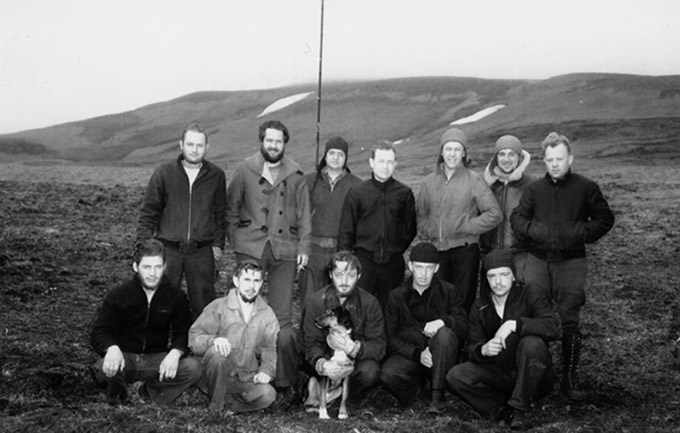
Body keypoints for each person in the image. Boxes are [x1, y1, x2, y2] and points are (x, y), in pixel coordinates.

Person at [510, 131, 615, 400]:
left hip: (571, 262)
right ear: (543, 161)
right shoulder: (534, 190)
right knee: (536, 316)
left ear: (570, 158)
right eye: (549, 159)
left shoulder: (586, 187)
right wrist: (535, 231)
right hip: (537, 261)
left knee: (569, 319)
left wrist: (580, 233)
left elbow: (604, 219)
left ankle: (569, 380)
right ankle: (537, 375)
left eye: (559, 158)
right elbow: (517, 218)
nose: (554, 164)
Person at [225, 119, 311, 406]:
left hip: (285, 250)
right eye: (269, 140)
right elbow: (231, 209)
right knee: (243, 310)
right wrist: (237, 240)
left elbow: (305, 215)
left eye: (278, 141)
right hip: (250, 248)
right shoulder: (244, 169)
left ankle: (284, 382)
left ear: (285, 143)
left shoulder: (296, 174)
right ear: (261, 140)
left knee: (282, 317)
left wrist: (304, 246)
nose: (273, 145)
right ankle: (238, 372)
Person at [447, 249, 560, 429]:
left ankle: (520, 409)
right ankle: (501, 410)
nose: (498, 282)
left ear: (514, 276)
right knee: (456, 375)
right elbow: (471, 346)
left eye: (504, 274)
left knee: (532, 343)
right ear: (486, 279)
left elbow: (554, 327)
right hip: (501, 375)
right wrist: (482, 350)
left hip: (534, 373)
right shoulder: (480, 305)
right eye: (492, 276)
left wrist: (515, 325)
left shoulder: (531, 293)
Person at [90, 239, 202, 405]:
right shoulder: (119, 294)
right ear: (136, 267)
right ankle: (120, 396)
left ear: (164, 266)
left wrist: (175, 353)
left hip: (156, 360)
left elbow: (183, 332)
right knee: (102, 369)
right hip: (124, 358)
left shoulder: (176, 297)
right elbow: (100, 331)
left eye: (158, 267)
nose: (153, 273)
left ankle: (150, 392)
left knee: (193, 368)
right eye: (147, 267)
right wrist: (111, 349)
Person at [136, 123, 227, 318]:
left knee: (204, 304)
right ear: (181, 145)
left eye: (199, 145)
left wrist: (218, 244)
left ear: (207, 147)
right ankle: (157, 343)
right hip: (169, 249)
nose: (194, 150)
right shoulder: (164, 173)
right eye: (190, 144)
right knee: (161, 298)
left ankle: (200, 344)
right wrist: (144, 247)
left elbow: (220, 213)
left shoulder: (216, 176)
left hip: (201, 251)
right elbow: (148, 212)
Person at [416, 128, 502, 313]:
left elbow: (494, 213)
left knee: (462, 302)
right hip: (437, 252)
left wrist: (469, 226)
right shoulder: (428, 182)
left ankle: (461, 340)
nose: (452, 154)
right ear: (441, 152)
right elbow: (421, 214)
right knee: (437, 301)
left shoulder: (474, 180)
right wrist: (428, 229)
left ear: (464, 153)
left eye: (457, 149)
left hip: (465, 252)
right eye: (448, 149)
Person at [380, 242, 468, 414]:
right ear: (410, 266)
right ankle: (418, 394)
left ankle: (437, 396)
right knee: (387, 374)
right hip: (412, 356)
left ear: (436, 268)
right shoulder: (396, 296)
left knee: (444, 335)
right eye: (419, 267)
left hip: (441, 356)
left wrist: (444, 321)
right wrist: (417, 354)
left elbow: (464, 326)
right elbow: (391, 337)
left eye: (429, 268)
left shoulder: (448, 291)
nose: (423, 274)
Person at [188, 261, 279, 414]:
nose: (251, 287)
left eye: (256, 281)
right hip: (214, 374)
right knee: (218, 354)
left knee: (268, 395)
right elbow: (194, 339)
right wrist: (213, 340)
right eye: (247, 280)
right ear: (236, 281)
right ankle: (216, 408)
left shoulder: (267, 313)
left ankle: (229, 405)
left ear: (262, 283)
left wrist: (266, 371)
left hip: (244, 377)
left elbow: (270, 347)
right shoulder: (219, 306)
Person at [338, 141, 417, 307]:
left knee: (390, 308)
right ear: (371, 162)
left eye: (390, 162)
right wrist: (347, 263)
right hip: (363, 262)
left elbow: (410, 229)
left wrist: (394, 249)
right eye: (381, 161)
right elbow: (346, 230)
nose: (385, 166)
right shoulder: (357, 193)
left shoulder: (404, 193)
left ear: (395, 164)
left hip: (393, 264)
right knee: (359, 307)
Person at [303, 250, 386, 404]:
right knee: (290, 339)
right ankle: (313, 387)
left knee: (370, 371)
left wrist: (355, 348)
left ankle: (344, 395)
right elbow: (310, 342)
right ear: (330, 274)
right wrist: (323, 364)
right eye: (339, 274)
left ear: (359, 276)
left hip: (353, 363)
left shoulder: (369, 303)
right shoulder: (315, 301)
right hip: (325, 357)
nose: (344, 281)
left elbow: (379, 347)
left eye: (350, 275)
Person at [300, 136, 362, 306]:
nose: (335, 157)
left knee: (338, 303)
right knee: (310, 301)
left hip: (341, 251)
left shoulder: (356, 185)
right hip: (313, 251)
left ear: (346, 158)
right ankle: (308, 332)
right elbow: (298, 215)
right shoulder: (309, 181)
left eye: (340, 154)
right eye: (332, 153)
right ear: (325, 156)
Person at [480, 135, 536, 281]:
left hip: (520, 255)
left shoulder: (531, 186)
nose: (506, 159)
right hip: (490, 254)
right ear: (495, 158)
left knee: (519, 298)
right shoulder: (485, 185)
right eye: (502, 154)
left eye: (512, 154)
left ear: (519, 158)